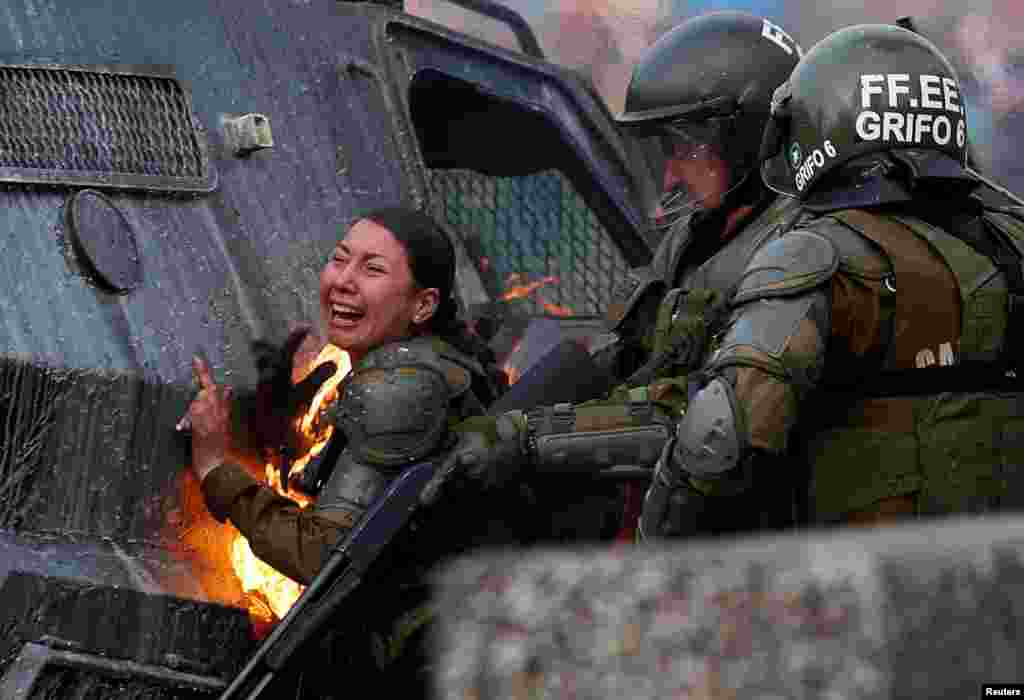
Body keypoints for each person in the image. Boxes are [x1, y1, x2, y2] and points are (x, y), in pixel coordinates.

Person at [640, 23, 1024, 539]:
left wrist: (654, 550)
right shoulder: (1013, 235)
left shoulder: (812, 252)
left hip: (861, 588)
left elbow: (720, 435)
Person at [459, 12, 807, 541]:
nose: (669, 174)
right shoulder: (698, 233)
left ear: (749, 136)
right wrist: (496, 419)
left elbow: (703, 417)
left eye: (684, 147)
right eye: (663, 149)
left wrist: (530, 436)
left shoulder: (796, 250)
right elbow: (620, 356)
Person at [180, 206, 518, 696]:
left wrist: (216, 467)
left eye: (373, 269)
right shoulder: (437, 364)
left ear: (422, 305)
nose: (344, 281)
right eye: (340, 260)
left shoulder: (400, 387)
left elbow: (323, 559)